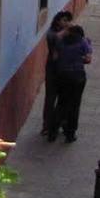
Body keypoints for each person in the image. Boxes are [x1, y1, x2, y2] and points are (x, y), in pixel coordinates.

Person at [51, 22, 93, 142]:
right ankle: (70, 133)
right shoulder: (83, 42)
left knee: (61, 103)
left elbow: (54, 57)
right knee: (74, 105)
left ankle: (53, 131)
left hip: (62, 76)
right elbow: (88, 59)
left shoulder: (61, 42)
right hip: (77, 77)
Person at [40, 9, 73, 140]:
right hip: (53, 70)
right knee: (50, 98)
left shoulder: (69, 34)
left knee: (63, 98)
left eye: (68, 21)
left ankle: (59, 123)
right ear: (58, 20)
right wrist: (66, 32)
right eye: (64, 20)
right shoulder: (52, 33)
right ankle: (47, 126)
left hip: (65, 69)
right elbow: (53, 39)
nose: (66, 23)